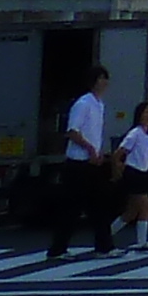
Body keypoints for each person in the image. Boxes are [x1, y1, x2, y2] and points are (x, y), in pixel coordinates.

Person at [45, 63, 116, 260]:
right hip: (78, 163)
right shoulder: (83, 103)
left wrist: (99, 152)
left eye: (105, 78)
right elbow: (72, 131)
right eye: (101, 78)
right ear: (93, 81)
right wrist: (90, 148)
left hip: (92, 163)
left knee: (100, 205)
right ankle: (57, 249)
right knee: (71, 208)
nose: (104, 82)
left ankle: (104, 247)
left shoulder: (99, 104)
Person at [115, 102, 148, 250]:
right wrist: (119, 168)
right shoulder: (135, 133)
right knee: (146, 206)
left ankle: (106, 234)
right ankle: (142, 242)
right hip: (133, 172)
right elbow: (120, 152)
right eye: (146, 112)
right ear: (139, 115)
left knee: (132, 212)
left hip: (143, 172)